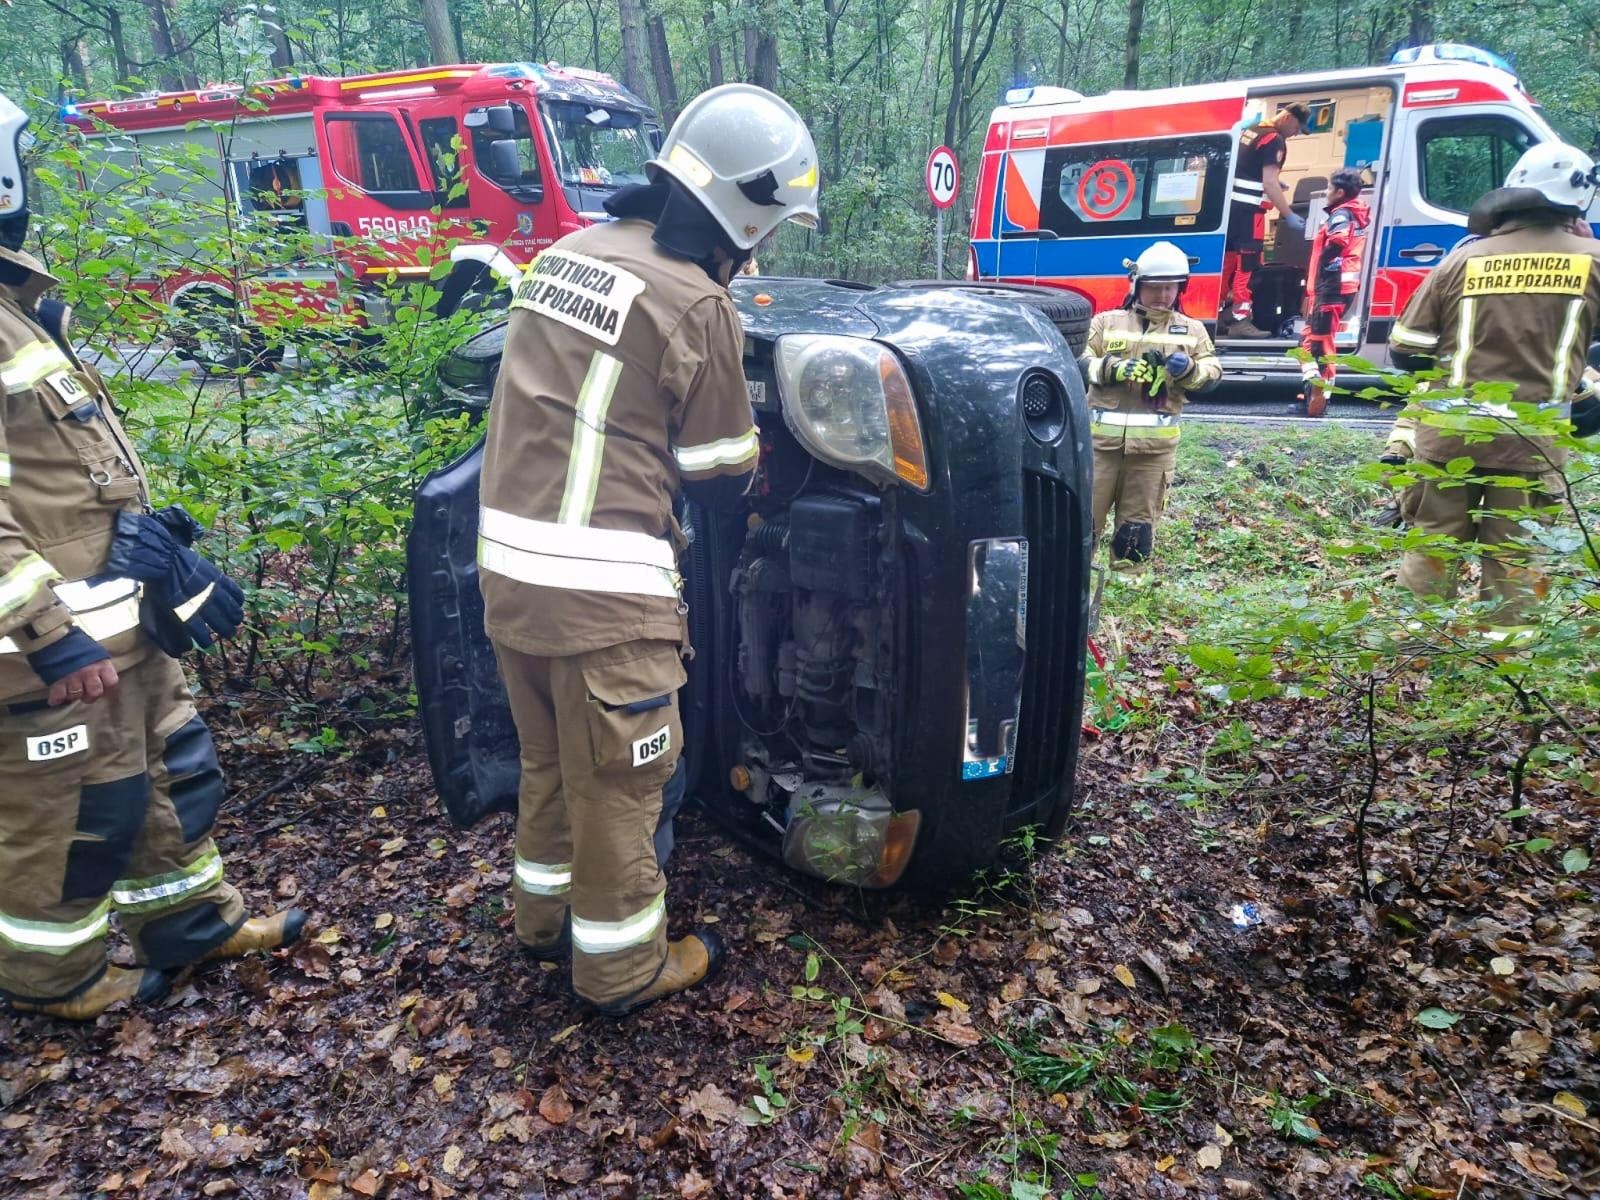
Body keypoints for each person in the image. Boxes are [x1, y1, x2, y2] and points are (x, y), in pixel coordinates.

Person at [475, 84, 819, 1016]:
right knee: (626, 787)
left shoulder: (563, 256)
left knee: (551, 765)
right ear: (747, 214)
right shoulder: (697, 303)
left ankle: (542, 924)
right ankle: (625, 969)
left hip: (509, 580)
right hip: (607, 602)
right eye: (772, 226)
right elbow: (717, 471)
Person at [0, 93, 305, 1021]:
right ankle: (54, 981)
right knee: (67, 819)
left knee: (168, 775)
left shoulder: (13, 306)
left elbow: (61, 474)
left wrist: (149, 542)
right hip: (51, 652)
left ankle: (192, 927)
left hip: (116, 626)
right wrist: (49, 635)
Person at [1387, 141, 1600, 634]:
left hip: (1448, 436)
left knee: (1433, 543)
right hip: (1533, 441)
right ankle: (1505, 666)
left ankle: (1413, 655)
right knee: (1515, 553)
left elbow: (1404, 349)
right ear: (1577, 200)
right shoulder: (1592, 260)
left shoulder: (1463, 259)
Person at [1082, 240, 1222, 581]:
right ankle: (1074, 585)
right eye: (1154, 287)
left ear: (1179, 289)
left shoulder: (1192, 331)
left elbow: (1213, 374)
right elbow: (1079, 361)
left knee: (1136, 529)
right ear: (1137, 285)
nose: (1161, 295)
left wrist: (1188, 369)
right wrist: (1111, 369)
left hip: (1153, 454)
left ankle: (1129, 590)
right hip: (1099, 449)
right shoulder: (1105, 322)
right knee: (1082, 524)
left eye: (1169, 288)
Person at [1221, 102, 1308, 339]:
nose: (1296, 133)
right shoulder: (1275, 139)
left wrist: (1272, 183)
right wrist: (1288, 214)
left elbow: (1245, 168)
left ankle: (1219, 315)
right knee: (1247, 266)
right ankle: (1240, 321)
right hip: (1250, 213)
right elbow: (1269, 182)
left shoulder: (1253, 130)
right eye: (1298, 128)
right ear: (1289, 118)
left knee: (1228, 264)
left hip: (1233, 211)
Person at [1298, 168, 1371, 416]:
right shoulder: (1354, 213)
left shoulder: (1341, 214)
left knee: (1319, 347)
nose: (1327, 193)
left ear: (1340, 192)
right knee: (1307, 343)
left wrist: (1325, 272)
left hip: (1331, 290)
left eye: (1329, 189)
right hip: (1335, 289)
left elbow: (1337, 241)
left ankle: (1318, 401)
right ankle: (1312, 393)